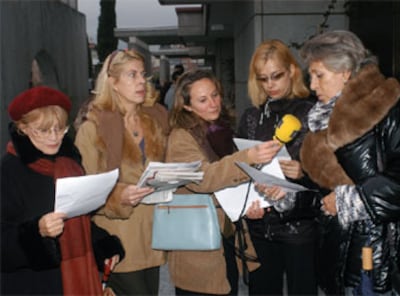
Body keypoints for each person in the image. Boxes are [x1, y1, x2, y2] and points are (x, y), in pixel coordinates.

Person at [298, 30, 400, 295]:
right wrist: (287, 196)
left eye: (319, 75)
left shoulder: (388, 108)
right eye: (311, 76)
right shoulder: (322, 120)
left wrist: (351, 200)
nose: (312, 85)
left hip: (379, 256)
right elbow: (323, 193)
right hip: (336, 254)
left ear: (346, 72)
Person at [165, 69, 281, 295]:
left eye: (215, 95)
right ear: (187, 106)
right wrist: (247, 157)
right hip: (198, 245)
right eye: (202, 99)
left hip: (226, 237)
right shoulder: (181, 137)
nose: (213, 103)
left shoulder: (221, 131)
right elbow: (203, 179)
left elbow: (232, 182)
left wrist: (249, 206)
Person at [1, 86, 124, 295]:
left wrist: (104, 246)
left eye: (60, 128)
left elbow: (78, 222)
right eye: (44, 130)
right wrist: (37, 232)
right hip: (31, 285)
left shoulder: (70, 165)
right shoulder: (9, 172)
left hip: (74, 281)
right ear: (22, 128)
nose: (54, 137)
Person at [74, 49, 167, 295]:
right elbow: (85, 191)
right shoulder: (93, 129)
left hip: (153, 236)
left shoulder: (156, 119)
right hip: (118, 240)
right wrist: (119, 196)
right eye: (131, 75)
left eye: (143, 75)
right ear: (112, 82)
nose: (141, 81)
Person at [237, 39, 319, 295]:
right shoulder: (251, 117)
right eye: (263, 79)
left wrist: (304, 172)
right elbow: (239, 170)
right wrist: (246, 203)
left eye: (277, 76)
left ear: (292, 71)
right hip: (260, 226)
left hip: (299, 227)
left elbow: (332, 174)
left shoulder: (312, 113)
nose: (270, 85)